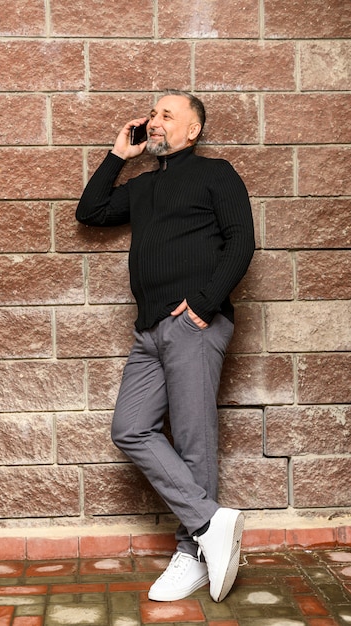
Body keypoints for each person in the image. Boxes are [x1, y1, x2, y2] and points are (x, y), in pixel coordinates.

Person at [76, 90, 255, 603]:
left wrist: (202, 304)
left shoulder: (216, 173)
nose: (155, 121)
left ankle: (192, 553)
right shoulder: (145, 187)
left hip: (193, 324)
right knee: (130, 428)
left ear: (193, 130)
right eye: (152, 115)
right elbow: (89, 211)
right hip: (149, 330)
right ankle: (210, 523)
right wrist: (118, 155)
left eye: (166, 115)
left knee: (194, 440)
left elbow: (241, 240)